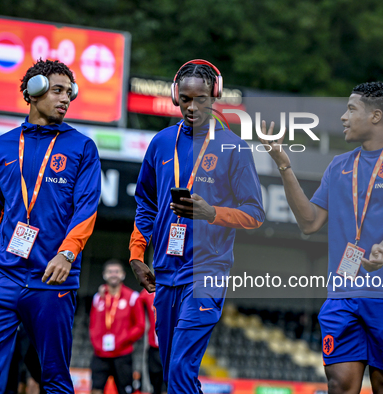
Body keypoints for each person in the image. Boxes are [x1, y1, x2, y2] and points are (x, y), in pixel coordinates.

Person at [260, 81, 383, 394]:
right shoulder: (339, 165)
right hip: (343, 293)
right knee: (339, 385)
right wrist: (283, 164)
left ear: (376, 116)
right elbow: (309, 222)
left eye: (351, 109)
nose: (343, 117)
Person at [0, 59, 101, 394]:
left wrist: (67, 254)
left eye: (69, 92)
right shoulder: (2, 147)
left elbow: (86, 210)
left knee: (53, 378)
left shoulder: (82, 148)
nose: (65, 99)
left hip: (51, 278)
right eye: (57, 90)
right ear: (33, 92)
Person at [129, 59, 265, 393]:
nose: (193, 106)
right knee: (173, 373)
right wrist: (136, 253)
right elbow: (145, 203)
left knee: (179, 368)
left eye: (201, 99)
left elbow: (255, 214)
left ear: (215, 96)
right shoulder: (161, 143)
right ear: (176, 96)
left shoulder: (234, 147)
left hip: (207, 273)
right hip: (164, 271)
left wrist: (211, 213)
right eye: (186, 98)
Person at [89, 260, 144, 394]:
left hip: (123, 354)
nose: (113, 274)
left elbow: (140, 325)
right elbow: (93, 324)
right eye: (110, 271)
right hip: (100, 354)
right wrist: (97, 344)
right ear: (104, 275)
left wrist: (123, 340)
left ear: (123, 275)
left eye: (117, 271)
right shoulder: (98, 297)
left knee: (125, 390)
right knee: (95, 389)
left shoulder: (132, 297)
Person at [138, 288, 167, 394]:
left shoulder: (178, 288)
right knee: (155, 388)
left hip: (171, 350)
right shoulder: (149, 291)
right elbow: (135, 300)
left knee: (167, 388)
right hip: (154, 349)